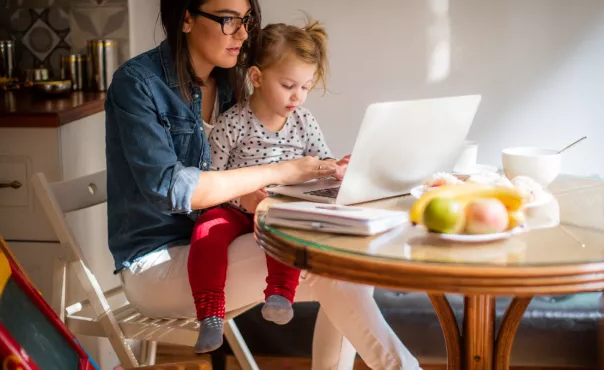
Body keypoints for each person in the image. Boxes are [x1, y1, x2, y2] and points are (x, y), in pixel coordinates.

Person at [104, 0, 420, 368]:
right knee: (324, 262)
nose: (242, 33)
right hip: (158, 264)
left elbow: (246, 171)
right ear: (186, 18)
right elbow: (175, 190)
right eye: (227, 20)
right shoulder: (138, 84)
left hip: (224, 244)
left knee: (343, 264)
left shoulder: (233, 82)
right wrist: (282, 171)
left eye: (246, 20)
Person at [188, 18, 351, 353]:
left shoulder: (304, 122)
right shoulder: (232, 122)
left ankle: (280, 294)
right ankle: (210, 315)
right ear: (257, 78)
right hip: (233, 209)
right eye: (289, 85)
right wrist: (243, 197)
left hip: (278, 209)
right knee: (206, 232)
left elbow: (322, 164)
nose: (298, 97)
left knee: (290, 231)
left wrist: (337, 169)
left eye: (305, 87)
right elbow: (212, 182)